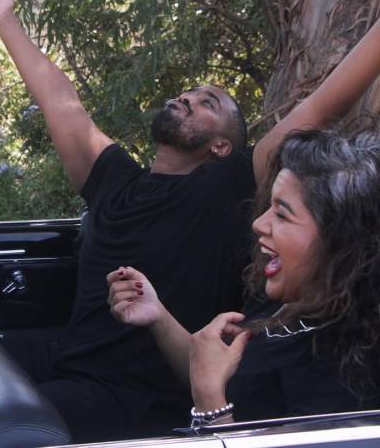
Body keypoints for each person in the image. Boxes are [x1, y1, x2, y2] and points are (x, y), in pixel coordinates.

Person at [0, 0, 380, 441]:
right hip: (70, 356)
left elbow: (321, 105)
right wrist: (3, 18)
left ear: (223, 147)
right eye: (189, 93)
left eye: (209, 103)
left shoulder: (232, 186)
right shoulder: (114, 179)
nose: (188, 97)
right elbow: (62, 103)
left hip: (135, 394)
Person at [108, 122, 380, 424]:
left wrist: (211, 403)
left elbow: (213, 388)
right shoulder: (286, 300)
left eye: (281, 213)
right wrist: (157, 314)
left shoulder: (346, 377)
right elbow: (213, 373)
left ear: (342, 240)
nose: (259, 224)